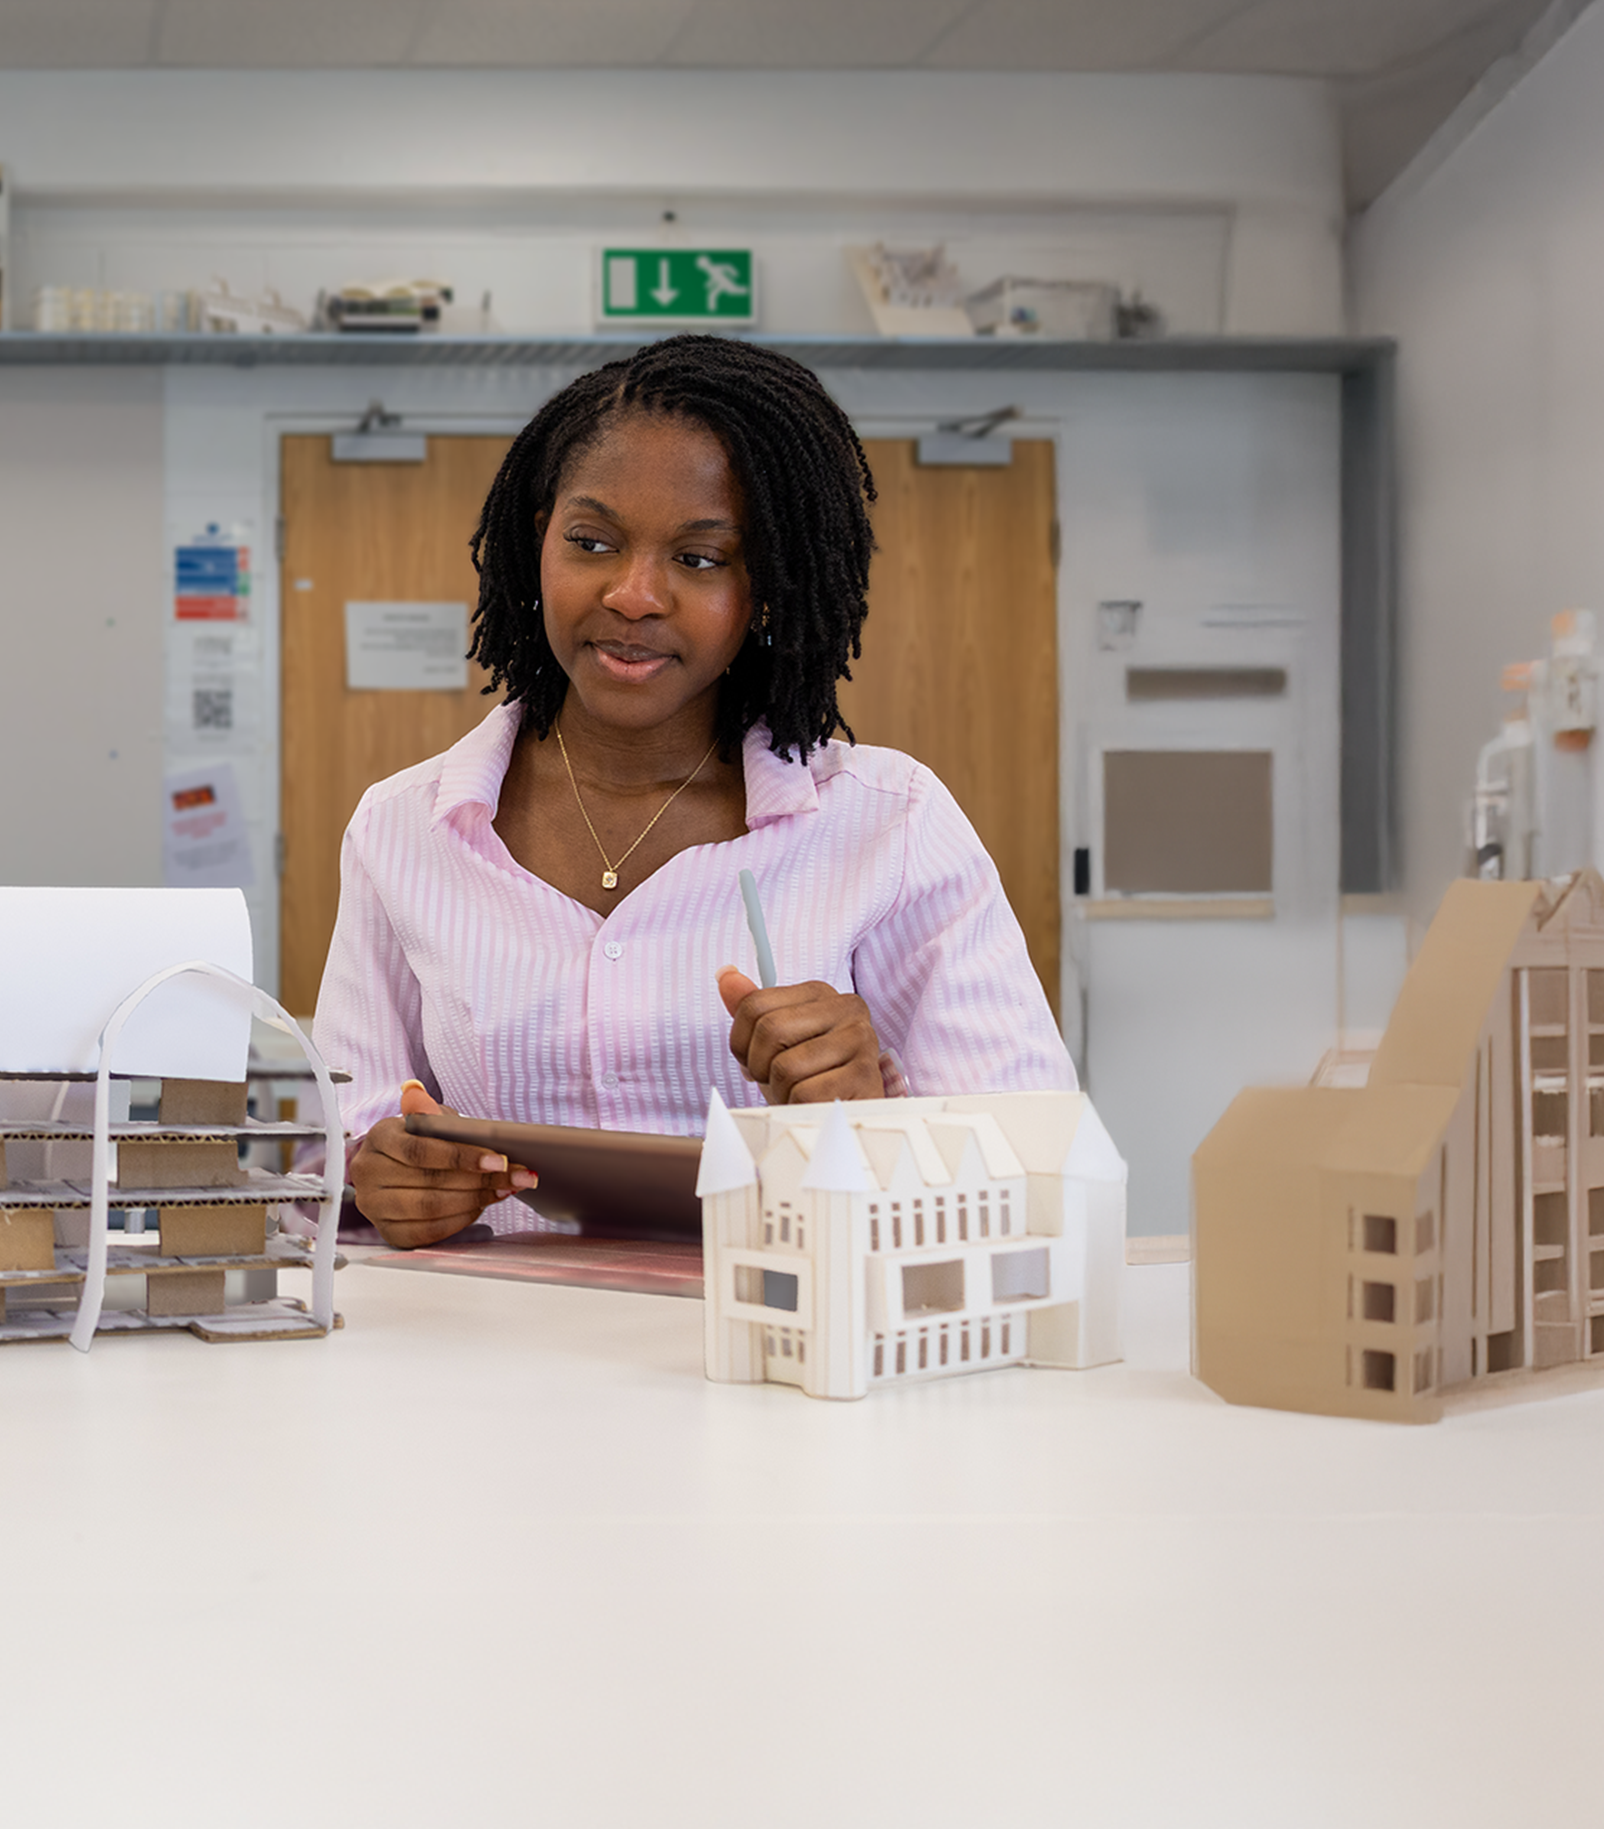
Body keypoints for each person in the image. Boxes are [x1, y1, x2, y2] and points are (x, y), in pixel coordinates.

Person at [319, 336, 1072, 1250]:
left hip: (783, 1356)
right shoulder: (404, 829)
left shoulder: (889, 824)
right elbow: (345, 1142)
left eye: (703, 558)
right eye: (591, 542)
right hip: (498, 1361)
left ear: (767, 589)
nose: (634, 595)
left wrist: (879, 1111)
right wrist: (377, 1180)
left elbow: (1038, 1179)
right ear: (537, 542)